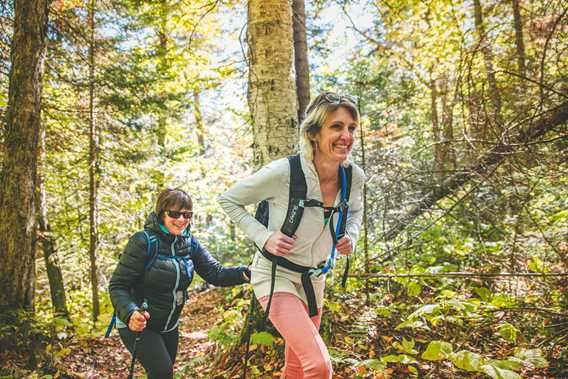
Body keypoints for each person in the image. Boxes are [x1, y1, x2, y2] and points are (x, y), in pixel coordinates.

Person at [219, 92, 365, 379]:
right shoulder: (283, 172)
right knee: (319, 366)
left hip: (314, 279)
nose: (346, 136)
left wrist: (351, 235)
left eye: (351, 128)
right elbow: (228, 200)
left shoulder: (353, 176)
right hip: (276, 275)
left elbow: (356, 212)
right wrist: (263, 236)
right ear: (313, 133)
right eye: (336, 127)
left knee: (298, 366)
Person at [109, 188, 250, 379]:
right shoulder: (143, 241)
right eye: (174, 214)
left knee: (163, 372)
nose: (181, 219)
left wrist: (247, 274)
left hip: (169, 324)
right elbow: (118, 285)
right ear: (161, 214)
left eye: (187, 214)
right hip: (139, 323)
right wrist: (131, 312)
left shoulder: (189, 242)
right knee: (162, 371)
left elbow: (215, 273)